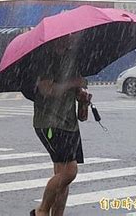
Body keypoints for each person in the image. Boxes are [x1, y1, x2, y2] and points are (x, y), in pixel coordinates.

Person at [30, 36, 87, 216]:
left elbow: (82, 115)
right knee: (70, 171)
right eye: (65, 37)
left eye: (71, 36)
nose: (69, 40)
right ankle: (42, 210)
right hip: (50, 123)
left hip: (70, 125)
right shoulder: (45, 58)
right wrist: (73, 82)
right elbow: (47, 90)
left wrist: (83, 100)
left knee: (63, 178)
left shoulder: (72, 59)